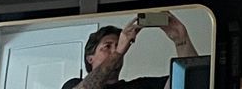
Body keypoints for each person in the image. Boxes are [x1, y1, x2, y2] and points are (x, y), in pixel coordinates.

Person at [63, 12, 195, 89]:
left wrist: (181, 39)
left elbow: (191, 82)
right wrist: (119, 51)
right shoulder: (73, 84)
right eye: (107, 46)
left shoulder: (140, 86)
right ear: (89, 58)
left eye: (117, 45)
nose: (116, 49)